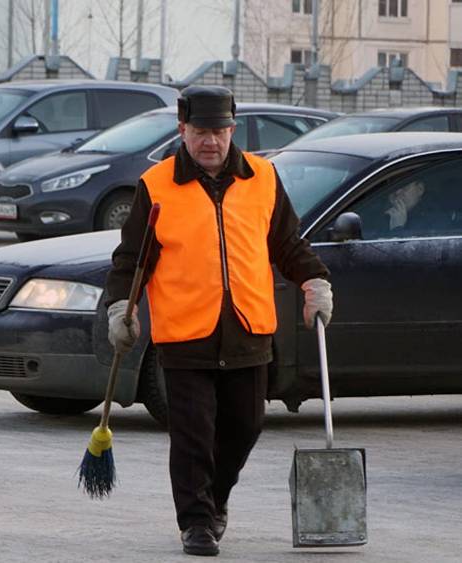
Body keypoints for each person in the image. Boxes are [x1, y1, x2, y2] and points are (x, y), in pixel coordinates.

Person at [105, 86, 333, 556]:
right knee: (192, 434)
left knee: (245, 425)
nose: (211, 142)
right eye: (201, 132)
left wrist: (314, 281)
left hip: (249, 328)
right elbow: (132, 260)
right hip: (185, 332)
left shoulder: (263, 177)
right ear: (182, 130)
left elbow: (287, 243)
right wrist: (118, 309)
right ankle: (197, 523)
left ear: (233, 131)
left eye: (220, 131)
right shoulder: (157, 185)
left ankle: (216, 498)